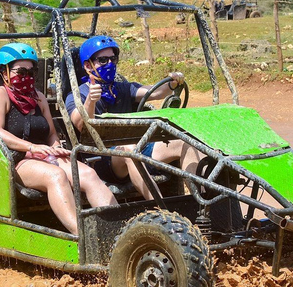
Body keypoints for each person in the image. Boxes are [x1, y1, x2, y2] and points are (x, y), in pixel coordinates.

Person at [0, 43, 117, 234]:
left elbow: (51, 133)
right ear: (4, 73)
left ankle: (116, 231)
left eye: (31, 72)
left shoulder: (38, 97)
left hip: (43, 154)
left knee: (87, 174)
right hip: (14, 159)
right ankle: (83, 237)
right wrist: (30, 147)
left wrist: (55, 146)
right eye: (20, 71)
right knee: (56, 176)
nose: (27, 77)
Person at [65, 35, 204, 200]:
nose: (109, 64)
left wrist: (172, 83)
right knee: (130, 150)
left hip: (135, 148)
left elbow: (155, 92)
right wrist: (90, 101)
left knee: (183, 142)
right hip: (102, 158)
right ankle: (162, 211)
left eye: (113, 59)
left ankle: (203, 205)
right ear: (88, 66)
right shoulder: (78, 94)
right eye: (103, 60)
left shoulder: (121, 88)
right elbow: (80, 124)